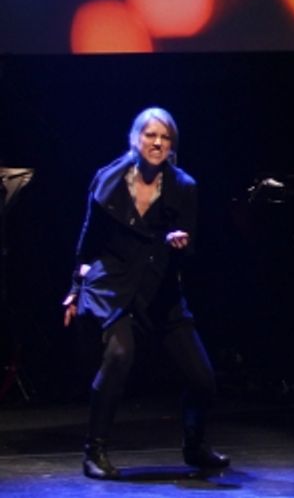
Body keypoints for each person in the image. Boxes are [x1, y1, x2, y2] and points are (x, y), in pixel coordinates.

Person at [62, 107, 229, 479]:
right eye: (150, 135)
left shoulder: (184, 186)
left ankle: (195, 446)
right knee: (119, 355)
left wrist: (179, 243)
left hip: (161, 289)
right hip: (115, 287)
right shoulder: (108, 180)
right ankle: (95, 452)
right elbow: (89, 240)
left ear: (172, 145)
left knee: (202, 379)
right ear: (135, 138)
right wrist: (75, 287)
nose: (157, 143)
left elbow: (192, 243)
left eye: (165, 137)